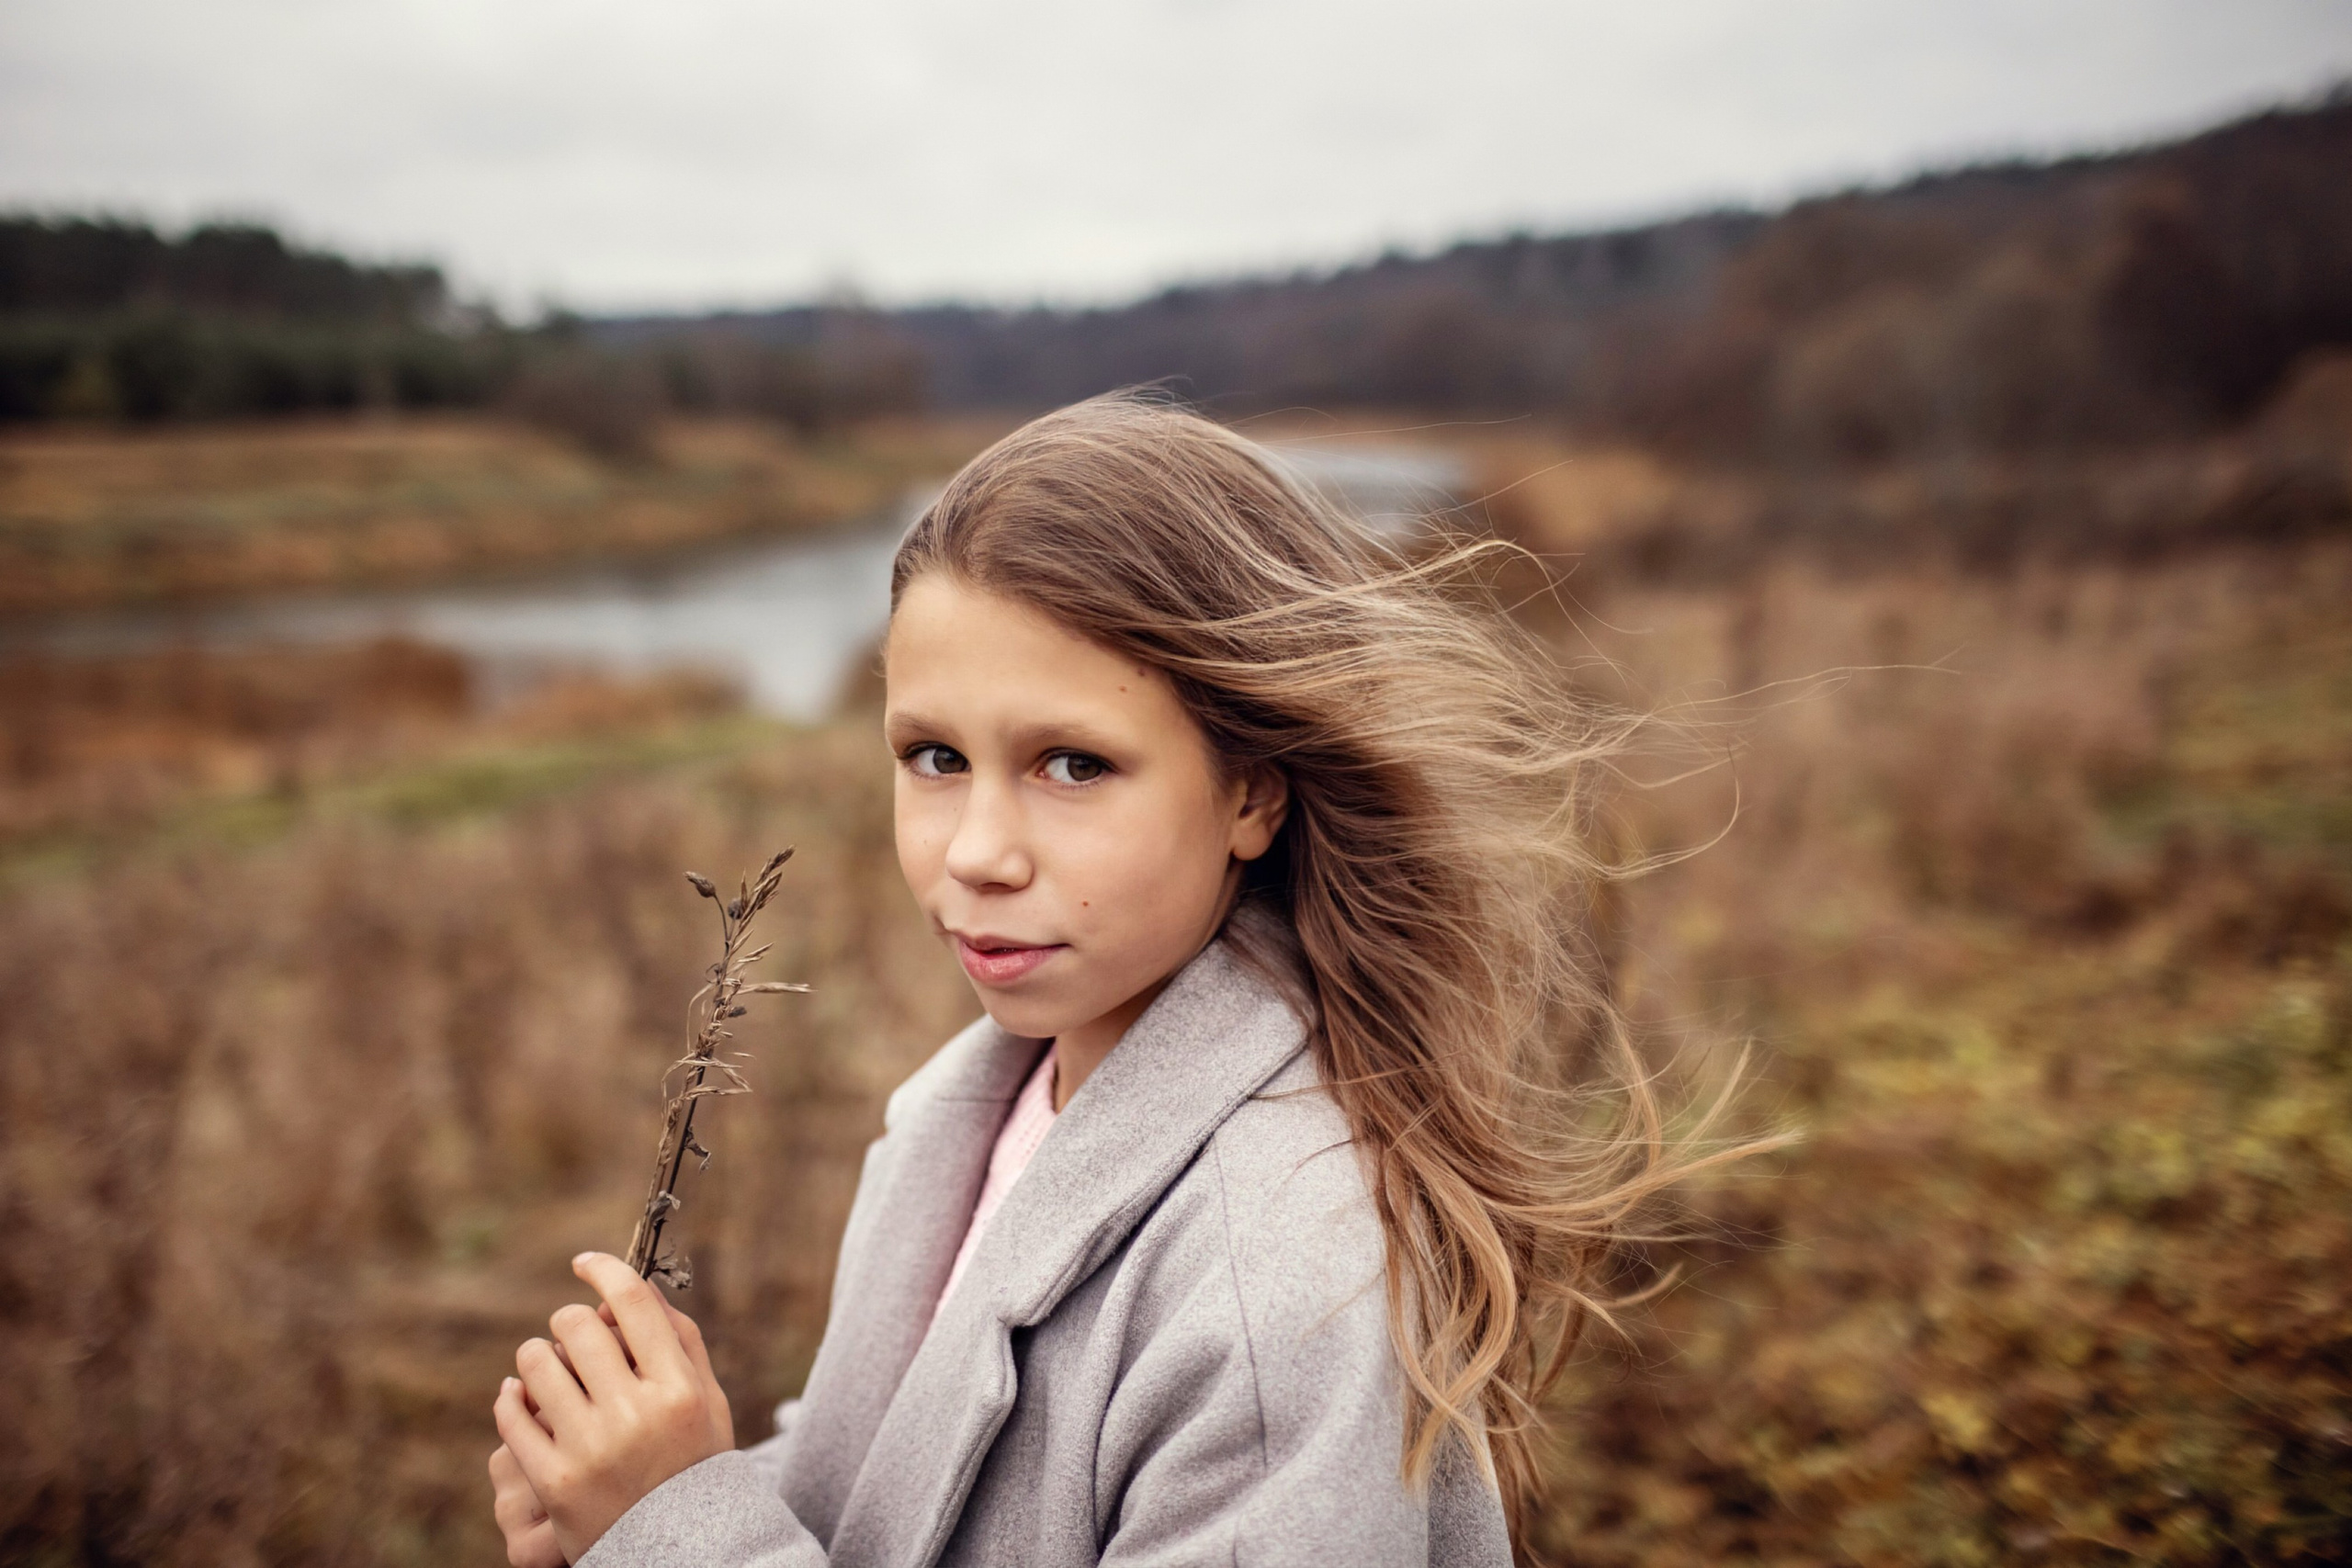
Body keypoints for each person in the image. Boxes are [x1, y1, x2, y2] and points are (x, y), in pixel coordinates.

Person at [488, 393, 1705, 1567]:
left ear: (1252, 791)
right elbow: (887, 1498)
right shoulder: (965, 1118)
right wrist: (625, 1514)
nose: (976, 852)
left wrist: (683, 1535)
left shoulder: (1274, 1293)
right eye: (933, 757)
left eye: (1072, 764)